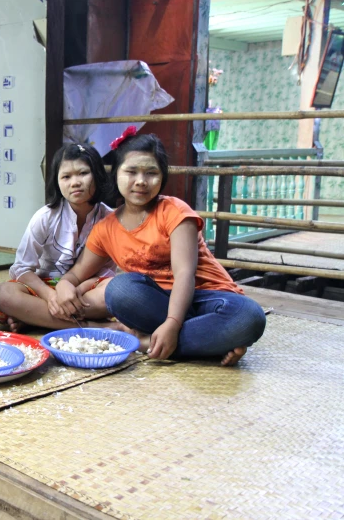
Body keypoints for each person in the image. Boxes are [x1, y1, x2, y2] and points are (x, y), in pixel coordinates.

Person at [55, 128, 266, 366]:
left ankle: (146, 343)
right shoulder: (106, 229)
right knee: (120, 290)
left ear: (162, 177)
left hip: (207, 300)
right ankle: (209, 342)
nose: (141, 182)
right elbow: (76, 273)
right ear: (116, 174)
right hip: (157, 304)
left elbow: (184, 274)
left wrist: (174, 324)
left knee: (249, 317)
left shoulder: (175, 212)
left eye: (151, 173)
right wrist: (64, 284)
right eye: (131, 171)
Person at [0, 143, 116, 332]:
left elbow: (107, 272)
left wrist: (74, 292)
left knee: (116, 291)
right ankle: (95, 327)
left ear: (97, 174)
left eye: (83, 173)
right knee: (2, 295)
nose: (74, 182)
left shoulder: (110, 219)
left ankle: (38, 318)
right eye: (66, 176)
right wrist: (51, 297)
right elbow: (22, 268)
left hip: (85, 292)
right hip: (44, 289)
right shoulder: (45, 216)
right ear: (57, 181)